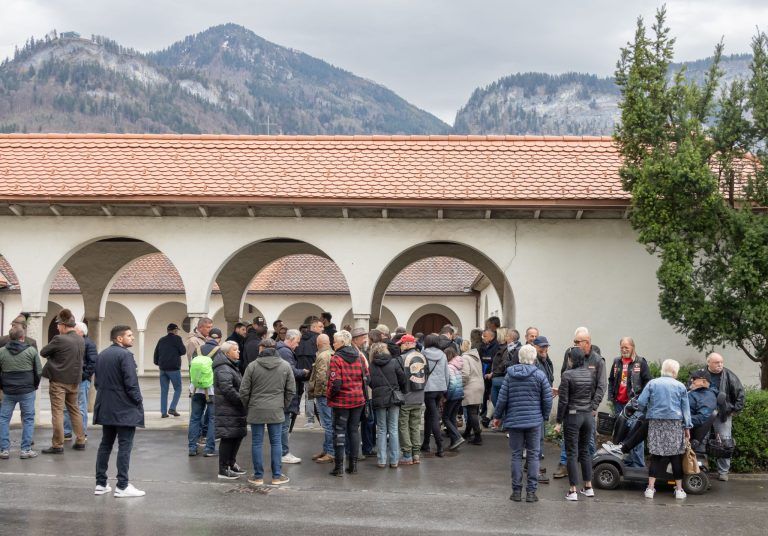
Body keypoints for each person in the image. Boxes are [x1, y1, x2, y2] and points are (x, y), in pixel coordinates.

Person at [492, 344, 553, 503]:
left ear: (519, 358)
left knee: (516, 455)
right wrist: (544, 416)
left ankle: (516, 492)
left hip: (514, 421)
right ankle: (531, 493)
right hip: (534, 422)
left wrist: (497, 417)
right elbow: (547, 399)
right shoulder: (539, 375)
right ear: (534, 358)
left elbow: (502, 399)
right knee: (533, 456)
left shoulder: (510, 375)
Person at [93, 325, 145, 497]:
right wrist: (138, 400)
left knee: (105, 444)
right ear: (119, 338)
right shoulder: (125, 355)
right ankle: (122, 485)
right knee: (125, 446)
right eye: (129, 335)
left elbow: (97, 382)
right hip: (124, 408)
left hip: (106, 406)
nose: (133, 338)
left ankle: (101, 483)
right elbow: (131, 383)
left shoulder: (102, 355)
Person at [239, 337, 295, 486]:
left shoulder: (252, 366)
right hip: (276, 409)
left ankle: (258, 477)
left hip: (256, 408)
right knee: (276, 442)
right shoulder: (285, 366)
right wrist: (282, 404)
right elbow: (291, 390)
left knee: (257, 442)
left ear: (262, 348)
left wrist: (248, 405)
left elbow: (244, 390)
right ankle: (277, 476)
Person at [553, 327, 605, 479]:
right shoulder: (570, 354)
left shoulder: (598, 360)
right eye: (574, 341)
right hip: (571, 407)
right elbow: (564, 375)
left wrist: (594, 407)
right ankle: (565, 465)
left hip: (588, 408)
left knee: (588, 442)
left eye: (577, 342)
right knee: (568, 439)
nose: (574, 345)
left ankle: (590, 470)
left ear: (587, 342)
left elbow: (601, 386)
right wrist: (562, 390)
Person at [636, 359, 692, 500]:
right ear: (674, 372)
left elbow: (641, 402)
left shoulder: (652, 383)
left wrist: (644, 412)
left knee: (656, 456)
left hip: (656, 423)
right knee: (675, 457)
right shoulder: (680, 386)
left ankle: (650, 489)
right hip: (675, 424)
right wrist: (687, 427)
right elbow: (686, 409)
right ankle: (679, 490)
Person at [554, 347, 601, 501]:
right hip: (587, 416)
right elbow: (592, 394)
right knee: (585, 450)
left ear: (571, 359)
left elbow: (564, 401)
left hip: (573, 417)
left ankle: (572, 490)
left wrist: (558, 421)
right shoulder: (590, 373)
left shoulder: (567, 375)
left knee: (572, 452)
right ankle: (588, 487)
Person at [40, 309, 86, 454]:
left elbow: (43, 352)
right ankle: (80, 440)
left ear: (64, 325)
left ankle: (57, 444)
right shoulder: (80, 339)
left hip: (59, 381)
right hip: (74, 381)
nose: (57, 327)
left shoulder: (59, 339)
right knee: (75, 410)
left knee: (58, 412)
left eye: (58, 324)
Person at [327, 330, 368, 477]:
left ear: (342, 343)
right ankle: (353, 466)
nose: (333, 343)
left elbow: (335, 382)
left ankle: (339, 468)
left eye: (335, 341)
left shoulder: (336, 358)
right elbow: (367, 377)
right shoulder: (359, 357)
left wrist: (330, 396)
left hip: (341, 402)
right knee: (353, 431)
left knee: (339, 432)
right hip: (358, 400)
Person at [607, 337, 651, 467]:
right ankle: (628, 460)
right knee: (622, 433)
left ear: (633, 347)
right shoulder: (616, 361)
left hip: (635, 406)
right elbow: (611, 379)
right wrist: (611, 396)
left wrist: (640, 399)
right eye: (622, 347)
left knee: (635, 433)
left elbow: (648, 382)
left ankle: (638, 464)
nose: (624, 350)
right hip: (619, 404)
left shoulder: (640, 362)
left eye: (627, 347)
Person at [700, 352, 744, 481]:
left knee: (725, 442)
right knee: (701, 440)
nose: (720, 365)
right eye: (716, 362)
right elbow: (691, 389)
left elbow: (740, 393)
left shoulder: (729, 375)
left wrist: (734, 409)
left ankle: (723, 472)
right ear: (709, 363)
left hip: (722, 413)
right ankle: (702, 469)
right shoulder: (701, 373)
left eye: (721, 362)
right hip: (704, 413)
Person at [0, 326, 41, 459]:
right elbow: (38, 371)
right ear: (22, 337)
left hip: (8, 390)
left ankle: (4, 449)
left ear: (9, 337)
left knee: (3, 419)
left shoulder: (1, 352)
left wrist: (2, 386)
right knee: (28, 419)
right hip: (27, 390)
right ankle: (25, 450)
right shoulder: (31, 351)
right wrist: (34, 385)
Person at [368, 342, 406, 468]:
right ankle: (394, 460)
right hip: (393, 398)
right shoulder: (394, 362)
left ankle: (381, 460)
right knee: (393, 429)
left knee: (382, 429)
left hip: (379, 399)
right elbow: (403, 379)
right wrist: (400, 390)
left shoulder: (372, 365)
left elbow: (370, 382)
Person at [276, 329, 308, 464]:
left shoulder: (282, 350)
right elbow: (290, 371)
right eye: (297, 342)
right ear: (291, 339)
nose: (298, 345)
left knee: (283, 425)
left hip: (284, 392)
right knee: (284, 425)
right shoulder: (285, 351)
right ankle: (284, 453)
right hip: (286, 393)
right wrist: (304, 372)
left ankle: (282, 451)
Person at [62, 321, 97, 441]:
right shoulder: (73, 342)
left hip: (82, 381)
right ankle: (67, 432)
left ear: (81, 332)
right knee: (67, 406)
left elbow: (93, 362)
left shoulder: (89, 344)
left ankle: (81, 433)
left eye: (74, 330)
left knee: (81, 407)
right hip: (70, 379)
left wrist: (85, 375)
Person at [397, 334, 426, 464]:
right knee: (415, 426)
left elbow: (399, 378)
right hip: (419, 396)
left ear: (408, 344)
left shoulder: (401, 358)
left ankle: (407, 455)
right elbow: (427, 374)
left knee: (403, 425)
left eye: (401, 344)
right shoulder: (422, 356)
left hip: (406, 396)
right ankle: (416, 455)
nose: (400, 346)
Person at [187, 339, 218, 457]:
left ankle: (192, 447)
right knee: (212, 419)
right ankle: (209, 449)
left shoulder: (198, 349)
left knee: (195, 418)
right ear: (219, 338)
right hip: (211, 390)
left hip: (195, 388)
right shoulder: (218, 351)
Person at [421, 334, 449, 456]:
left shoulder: (423, 354)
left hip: (428, 389)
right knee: (430, 414)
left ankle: (439, 446)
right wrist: (445, 387)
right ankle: (426, 443)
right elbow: (446, 373)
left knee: (433, 417)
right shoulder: (442, 355)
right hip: (440, 388)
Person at [308, 334, 334, 464]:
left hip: (323, 395)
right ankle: (327, 449)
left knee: (328, 424)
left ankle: (330, 452)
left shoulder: (323, 356)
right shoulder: (331, 353)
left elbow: (322, 377)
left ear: (318, 344)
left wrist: (318, 393)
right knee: (329, 423)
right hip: (328, 394)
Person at [532, 336, 555, 482]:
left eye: (546, 346)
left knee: (538, 438)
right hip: (537, 405)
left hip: (542, 403)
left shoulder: (545, 360)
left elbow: (549, 378)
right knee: (537, 439)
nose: (544, 349)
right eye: (541, 346)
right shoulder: (534, 362)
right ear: (534, 347)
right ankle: (536, 471)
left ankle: (533, 466)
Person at [153, 323, 186, 418]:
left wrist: (158, 363)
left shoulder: (161, 340)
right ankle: (172, 408)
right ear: (175, 330)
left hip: (163, 368)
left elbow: (156, 353)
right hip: (173, 368)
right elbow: (183, 351)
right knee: (178, 389)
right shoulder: (177, 338)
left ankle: (163, 413)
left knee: (164, 391)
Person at [296, 319, 323, 428]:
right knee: (320, 396)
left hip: (302, 371)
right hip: (315, 370)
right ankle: (321, 420)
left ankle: (310, 420)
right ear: (314, 327)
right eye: (320, 326)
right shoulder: (318, 338)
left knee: (309, 396)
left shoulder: (301, 338)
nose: (322, 328)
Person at [461, 340, 484, 445]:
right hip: (479, 385)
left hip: (470, 386)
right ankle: (467, 432)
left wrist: (461, 384)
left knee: (472, 412)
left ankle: (478, 436)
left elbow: (465, 374)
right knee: (473, 411)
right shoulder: (476, 357)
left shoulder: (465, 358)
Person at [490, 328, 520, 411]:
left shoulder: (517, 349)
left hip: (508, 377)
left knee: (496, 385)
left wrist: (494, 373)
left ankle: (500, 415)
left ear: (510, 338)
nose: (505, 337)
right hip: (503, 375)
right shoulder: (507, 348)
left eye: (507, 336)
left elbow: (508, 363)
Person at [687, 370, 718, 447]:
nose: (691, 380)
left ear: (704, 382)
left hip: (690, 433)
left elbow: (701, 418)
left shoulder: (707, 397)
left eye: (694, 379)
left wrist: (681, 420)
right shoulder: (695, 392)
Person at [443, 346, 465, 450]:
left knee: (445, 418)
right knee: (452, 418)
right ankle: (454, 443)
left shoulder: (450, 367)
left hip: (453, 396)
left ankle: (457, 437)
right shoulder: (458, 365)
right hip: (459, 394)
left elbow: (452, 384)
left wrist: (447, 396)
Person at [479, 327, 499, 426]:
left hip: (490, 374)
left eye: (485, 336)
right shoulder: (483, 345)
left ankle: (489, 416)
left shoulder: (496, 346)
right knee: (484, 393)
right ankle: (484, 412)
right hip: (483, 372)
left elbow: (493, 360)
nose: (483, 338)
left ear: (491, 337)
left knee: (491, 395)